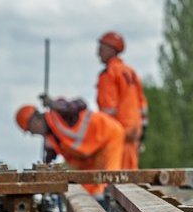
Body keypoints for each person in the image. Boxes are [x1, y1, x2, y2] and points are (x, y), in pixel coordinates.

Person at [15, 97, 124, 198]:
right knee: (87, 192)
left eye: (30, 130)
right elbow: (48, 162)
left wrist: (53, 104)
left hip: (108, 136)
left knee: (109, 179)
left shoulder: (60, 113)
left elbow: (81, 103)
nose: (32, 134)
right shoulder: (50, 139)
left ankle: (115, 211)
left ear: (34, 120)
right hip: (92, 154)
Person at [96, 31, 148, 170]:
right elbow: (142, 104)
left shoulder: (109, 74)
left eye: (101, 48)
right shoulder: (130, 72)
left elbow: (108, 109)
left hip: (118, 133)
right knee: (130, 176)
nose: (98, 53)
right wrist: (142, 130)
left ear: (111, 50)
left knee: (116, 178)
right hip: (134, 132)